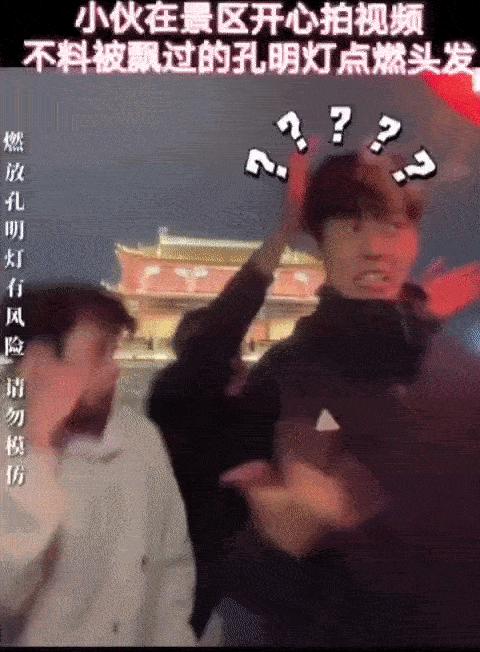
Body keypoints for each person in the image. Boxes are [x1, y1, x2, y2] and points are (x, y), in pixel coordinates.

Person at [147, 145, 480, 641]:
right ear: (318, 242)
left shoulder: (455, 371)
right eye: (351, 227)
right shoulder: (285, 377)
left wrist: (424, 315)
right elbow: (193, 385)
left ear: (415, 238)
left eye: (393, 225)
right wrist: (281, 545)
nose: (375, 248)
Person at [0, 284, 196, 647]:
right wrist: (39, 446)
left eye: (114, 350)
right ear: (39, 363)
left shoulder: (139, 438)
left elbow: (172, 568)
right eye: (100, 353)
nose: (115, 369)